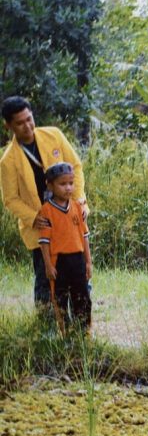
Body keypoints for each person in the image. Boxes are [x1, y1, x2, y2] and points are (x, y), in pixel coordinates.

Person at [1, 96, 87, 313]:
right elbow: (10, 199)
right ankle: (46, 328)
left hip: (69, 217)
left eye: (29, 119)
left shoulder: (53, 135)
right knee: (46, 275)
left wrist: (78, 200)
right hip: (43, 225)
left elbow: (75, 167)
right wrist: (33, 217)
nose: (27, 126)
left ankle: (80, 323)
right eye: (19, 123)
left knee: (78, 271)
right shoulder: (8, 161)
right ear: (8, 125)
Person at [38, 163, 92, 333]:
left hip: (78, 259)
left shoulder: (77, 207)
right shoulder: (46, 211)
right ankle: (65, 334)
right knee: (61, 298)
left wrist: (88, 262)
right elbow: (44, 242)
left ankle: (83, 333)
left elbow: (84, 237)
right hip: (59, 260)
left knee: (82, 297)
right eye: (63, 184)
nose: (68, 188)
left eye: (71, 183)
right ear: (50, 185)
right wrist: (48, 265)